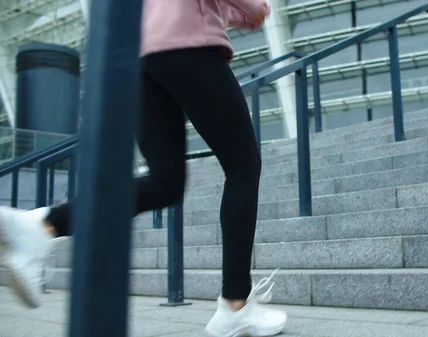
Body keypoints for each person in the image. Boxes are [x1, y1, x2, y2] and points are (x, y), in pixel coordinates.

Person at [0, 0, 288, 336]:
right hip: (187, 41)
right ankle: (235, 305)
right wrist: (253, 7)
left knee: (164, 182)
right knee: (243, 165)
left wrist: (244, 15)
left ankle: (41, 226)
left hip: (141, 55)